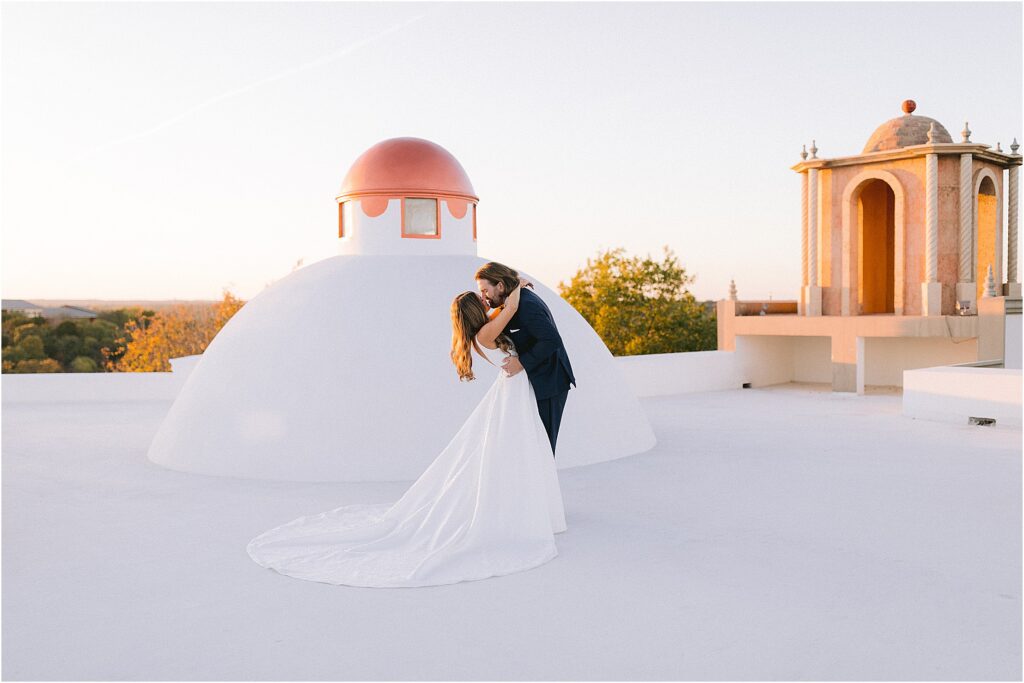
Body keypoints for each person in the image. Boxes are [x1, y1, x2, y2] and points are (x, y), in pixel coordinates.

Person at [246, 280, 566, 588]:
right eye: (480, 298)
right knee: (507, 451)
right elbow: (509, 311)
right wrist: (518, 290)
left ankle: (523, 505)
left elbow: (507, 312)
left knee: (513, 450)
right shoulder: (487, 332)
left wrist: (517, 289)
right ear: (474, 312)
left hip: (514, 391)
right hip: (512, 390)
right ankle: (512, 510)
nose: (486, 300)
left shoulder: (487, 326)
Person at [475, 262, 576, 455]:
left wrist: (521, 362)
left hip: (549, 383)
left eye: (484, 290)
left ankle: (543, 485)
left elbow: (552, 340)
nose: (483, 297)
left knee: (543, 447)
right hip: (533, 383)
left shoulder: (527, 305)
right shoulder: (511, 303)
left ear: (501, 286)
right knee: (530, 447)